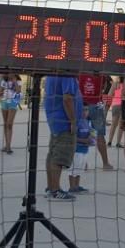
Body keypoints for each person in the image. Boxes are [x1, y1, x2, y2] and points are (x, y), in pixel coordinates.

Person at [43, 73, 82, 201]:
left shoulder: (52, 73)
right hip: (64, 121)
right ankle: (55, 190)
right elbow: (67, 98)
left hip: (54, 118)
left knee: (52, 154)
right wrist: (73, 120)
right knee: (59, 156)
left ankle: (50, 187)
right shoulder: (67, 74)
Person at [78, 72, 113, 170]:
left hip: (82, 104)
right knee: (99, 135)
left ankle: (83, 163)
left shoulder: (80, 71)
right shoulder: (101, 72)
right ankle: (105, 164)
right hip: (96, 105)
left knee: (81, 134)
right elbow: (105, 86)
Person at [67, 111, 93, 194]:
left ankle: (77, 186)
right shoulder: (76, 122)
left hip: (85, 150)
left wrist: (91, 137)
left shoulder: (87, 121)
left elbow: (91, 132)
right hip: (76, 150)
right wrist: (84, 141)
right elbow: (72, 137)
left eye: (87, 110)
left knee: (80, 169)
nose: (85, 112)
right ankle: (72, 187)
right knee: (73, 169)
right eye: (83, 110)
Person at [0, 72, 22, 153]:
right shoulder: (4, 81)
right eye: (8, 72)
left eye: (12, 72)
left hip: (13, 102)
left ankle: (8, 146)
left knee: (9, 123)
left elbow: (18, 91)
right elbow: (0, 91)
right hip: (4, 101)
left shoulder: (18, 80)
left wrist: (14, 81)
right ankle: (7, 144)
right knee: (5, 123)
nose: (10, 74)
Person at [106, 76, 125, 148]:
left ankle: (109, 141)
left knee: (113, 124)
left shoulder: (115, 83)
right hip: (123, 104)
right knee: (121, 125)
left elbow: (109, 94)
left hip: (115, 104)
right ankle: (118, 142)